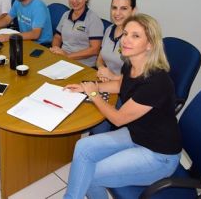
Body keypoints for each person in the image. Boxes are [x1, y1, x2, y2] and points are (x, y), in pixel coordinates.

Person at [63, 14, 182, 199]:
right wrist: (87, 87)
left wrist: (94, 95)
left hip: (159, 155)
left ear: (150, 44)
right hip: (137, 135)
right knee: (83, 146)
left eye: (135, 36)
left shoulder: (157, 82)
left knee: (91, 175)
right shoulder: (131, 64)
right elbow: (121, 86)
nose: (126, 39)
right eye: (125, 34)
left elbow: (117, 118)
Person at [49, 0, 103, 67]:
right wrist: (56, 49)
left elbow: (95, 49)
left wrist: (67, 56)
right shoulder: (66, 15)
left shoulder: (94, 20)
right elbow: (57, 37)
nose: (74, 0)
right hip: (62, 60)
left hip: (83, 65)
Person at [96, 0, 137, 82]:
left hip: (126, 89)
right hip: (107, 82)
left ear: (133, 11)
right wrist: (102, 69)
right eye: (114, 8)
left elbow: (138, 78)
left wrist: (112, 76)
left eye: (123, 8)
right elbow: (99, 59)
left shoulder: (136, 38)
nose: (117, 13)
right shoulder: (109, 29)